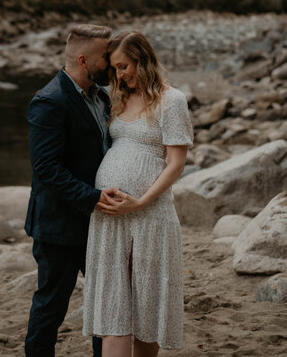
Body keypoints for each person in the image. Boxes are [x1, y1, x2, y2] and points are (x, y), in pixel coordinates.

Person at [83, 31, 194, 357]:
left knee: (148, 301)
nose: (120, 75)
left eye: (125, 66)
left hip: (150, 214)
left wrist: (141, 201)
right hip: (110, 216)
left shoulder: (171, 101)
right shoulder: (115, 98)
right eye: (115, 68)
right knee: (114, 306)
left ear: (142, 60)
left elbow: (176, 164)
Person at [24, 23, 120, 357]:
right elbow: (47, 169)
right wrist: (93, 199)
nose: (112, 62)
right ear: (83, 59)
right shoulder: (49, 102)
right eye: (106, 57)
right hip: (60, 225)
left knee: (104, 303)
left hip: (98, 222)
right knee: (51, 305)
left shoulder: (100, 96)